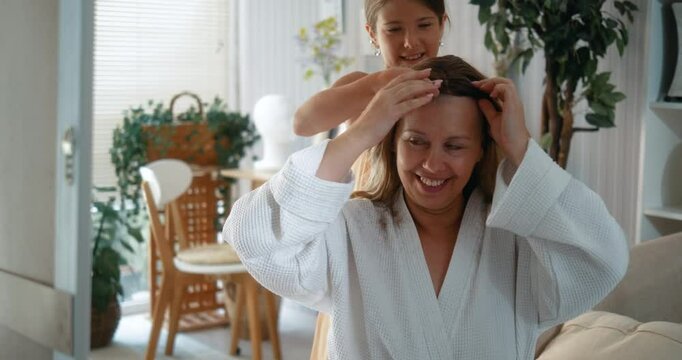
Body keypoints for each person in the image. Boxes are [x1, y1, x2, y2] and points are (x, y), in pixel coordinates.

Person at [222, 55, 629, 359]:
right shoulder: (351, 231)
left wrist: (520, 146)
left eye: (454, 146)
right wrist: (361, 131)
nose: (433, 165)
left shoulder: (518, 239)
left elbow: (603, 260)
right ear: (391, 141)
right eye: (415, 141)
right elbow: (253, 237)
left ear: (481, 150)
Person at [293, 0, 447, 137]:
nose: (410, 42)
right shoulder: (363, 86)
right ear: (373, 35)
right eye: (394, 29)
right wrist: (377, 84)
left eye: (424, 25)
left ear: (441, 25)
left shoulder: (462, 88)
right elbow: (302, 124)